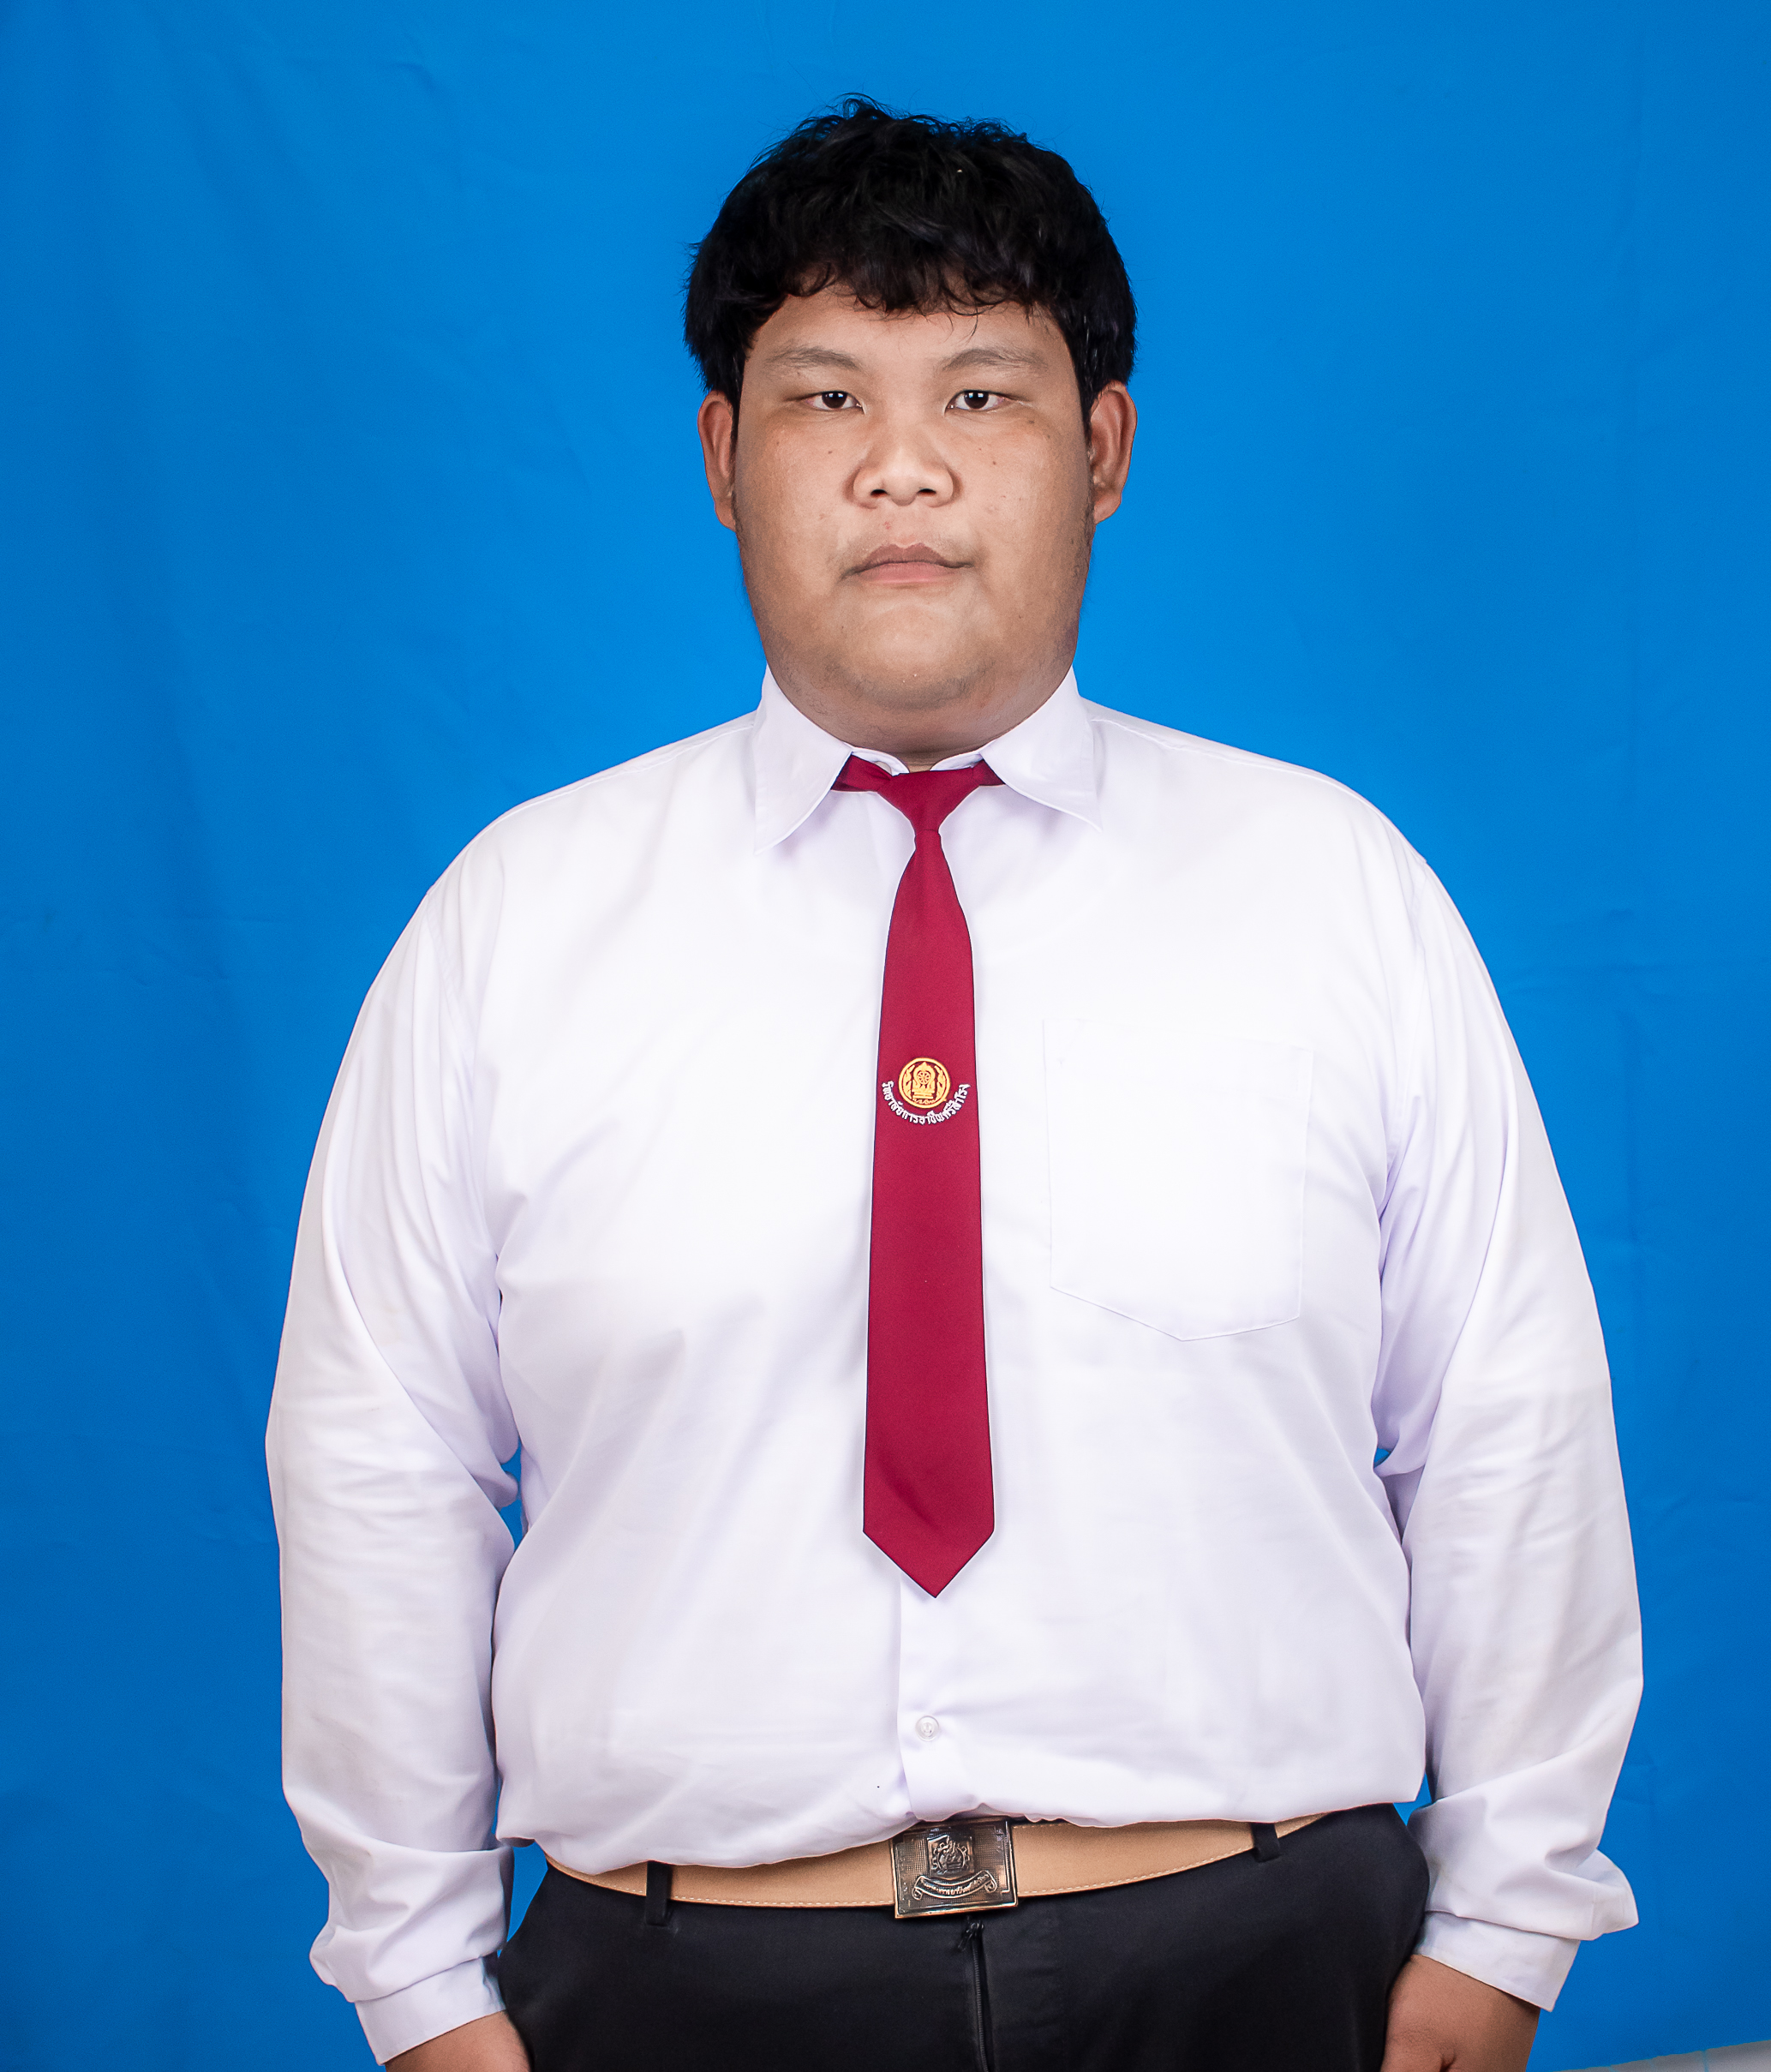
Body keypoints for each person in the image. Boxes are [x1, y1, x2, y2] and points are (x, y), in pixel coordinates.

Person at [267, 100, 1641, 2072]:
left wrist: (1507, 1922)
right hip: (676, 1994)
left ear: (1102, 450)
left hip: (1263, 1968)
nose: (899, 466)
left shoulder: (1330, 888)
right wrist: (416, 1986)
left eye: (979, 394)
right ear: (721, 459)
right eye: (823, 396)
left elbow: (1502, 1419)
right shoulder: (514, 920)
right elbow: (377, 1458)